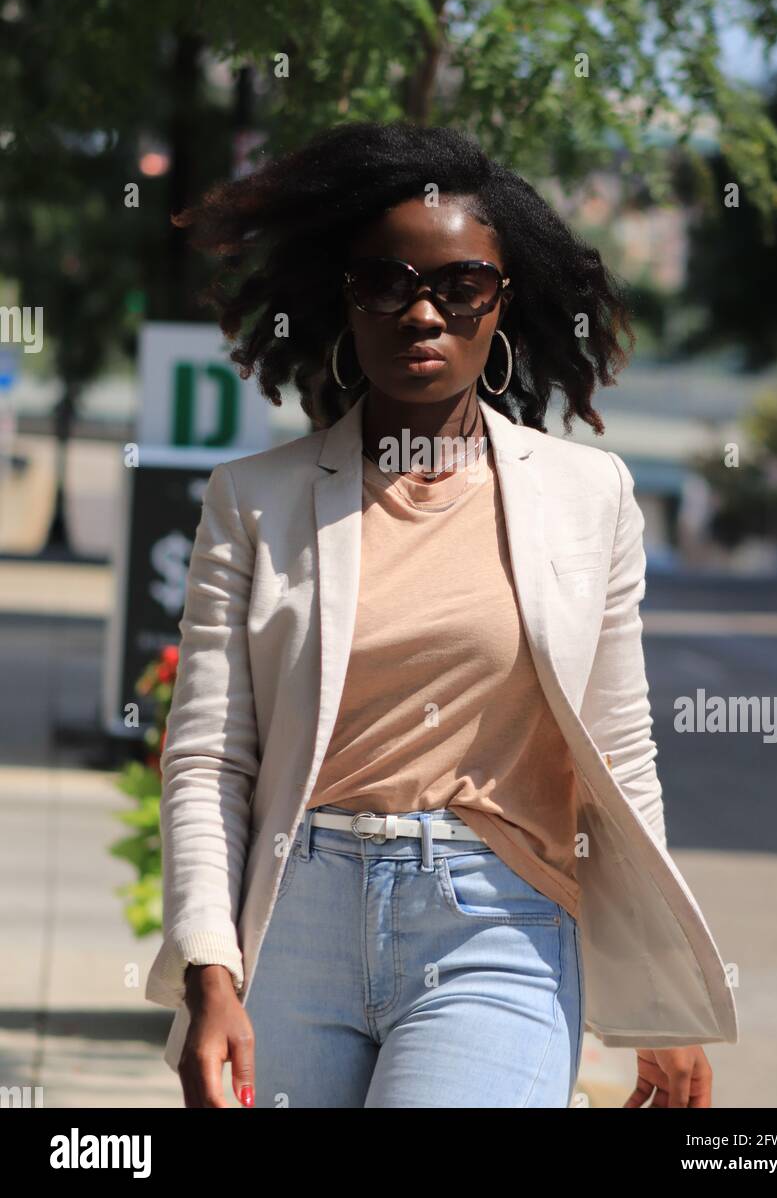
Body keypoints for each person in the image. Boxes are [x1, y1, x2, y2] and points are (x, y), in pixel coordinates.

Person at [144, 120, 737, 1108]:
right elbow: (208, 754)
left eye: (458, 285)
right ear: (345, 297)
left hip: (496, 923)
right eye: (386, 281)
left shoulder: (587, 498)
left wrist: (660, 1005)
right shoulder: (254, 500)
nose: (422, 311)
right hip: (294, 922)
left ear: (500, 303)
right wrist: (210, 969)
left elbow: (619, 755)